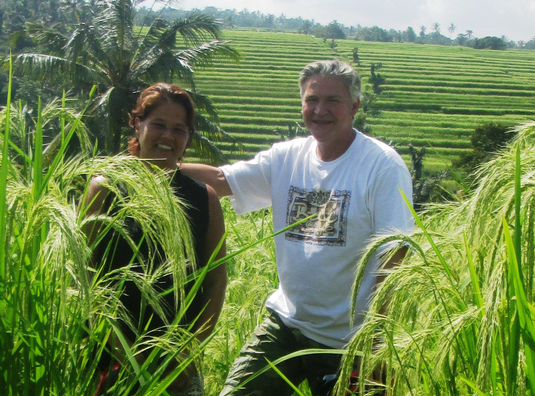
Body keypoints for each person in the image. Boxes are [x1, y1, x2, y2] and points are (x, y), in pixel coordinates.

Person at [180, 59, 414, 396]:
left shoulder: (382, 166)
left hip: (350, 342)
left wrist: (376, 342)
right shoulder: (287, 157)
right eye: (311, 100)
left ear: (355, 106)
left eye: (333, 100)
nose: (320, 110)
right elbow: (221, 179)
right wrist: (146, 163)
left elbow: (395, 258)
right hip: (287, 325)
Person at [82, 83, 227, 396]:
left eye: (179, 129)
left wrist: (188, 352)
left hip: (176, 365)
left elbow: (216, 280)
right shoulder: (104, 189)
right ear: (137, 124)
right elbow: (85, 275)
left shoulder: (205, 200)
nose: (168, 137)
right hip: (110, 358)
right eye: (159, 125)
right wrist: (123, 351)